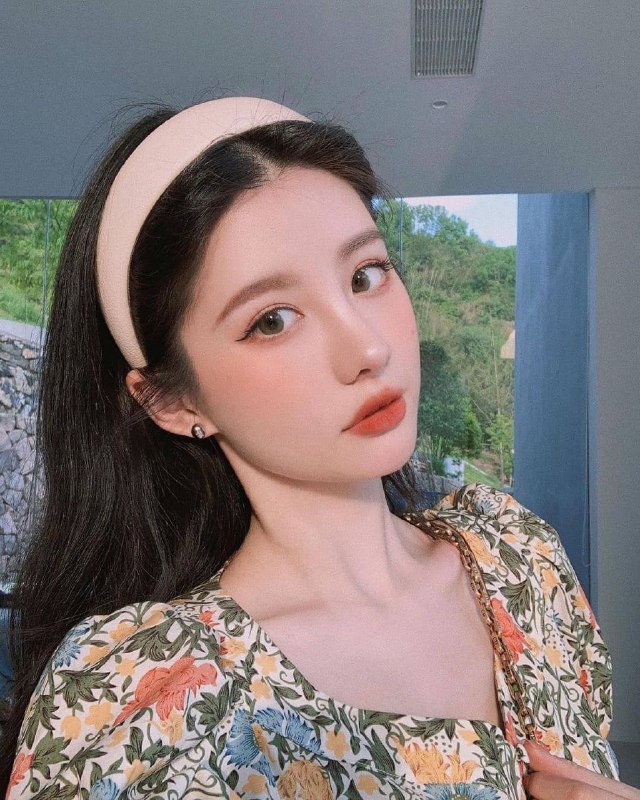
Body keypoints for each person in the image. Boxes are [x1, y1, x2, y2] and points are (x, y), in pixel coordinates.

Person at [0, 96, 632, 799]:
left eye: (366, 275)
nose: (368, 348)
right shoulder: (142, 698)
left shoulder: (518, 560)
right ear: (173, 402)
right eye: (273, 320)